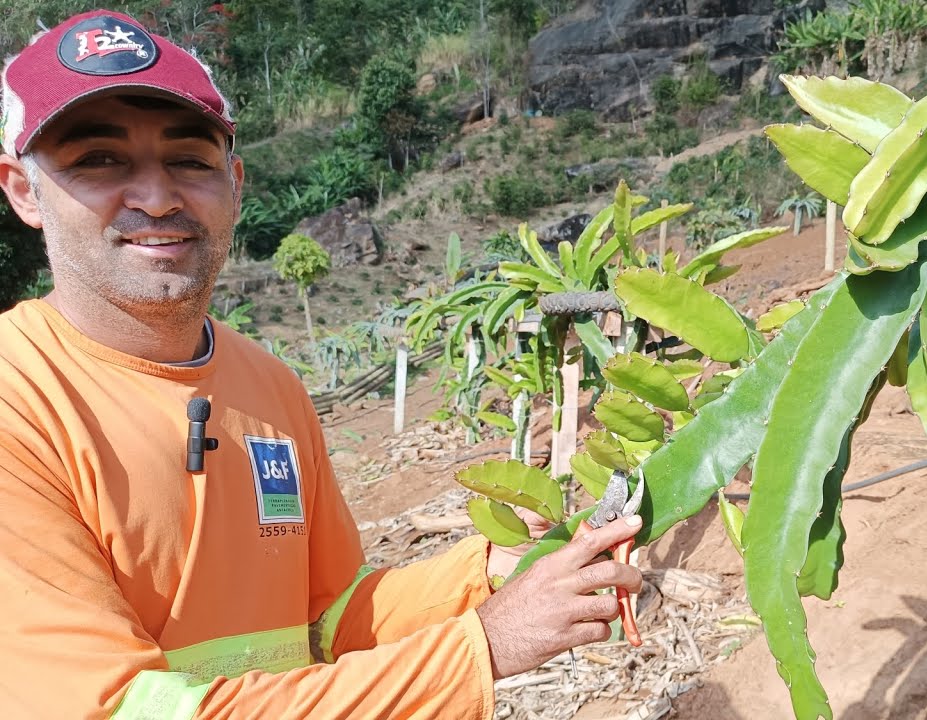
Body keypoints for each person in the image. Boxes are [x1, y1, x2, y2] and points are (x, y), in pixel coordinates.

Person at [0, 9, 642, 719]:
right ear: (23, 190)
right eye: (99, 160)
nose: (156, 196)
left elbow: (332, 616)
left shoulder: (270, 387)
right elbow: (118, 709)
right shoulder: (17, 403)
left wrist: (485, 576)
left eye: (189, 159)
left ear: (234, 183)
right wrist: (484, 647)